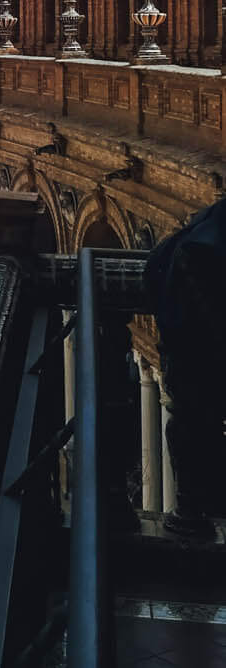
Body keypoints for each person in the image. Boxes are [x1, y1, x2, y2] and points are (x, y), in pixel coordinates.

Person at [146, 195, 224, 539]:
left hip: (183, 353)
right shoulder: (204, 243)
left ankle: (189, 517)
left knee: (187, 430)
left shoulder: (204, 229)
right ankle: (191, 516)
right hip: (197, 359)